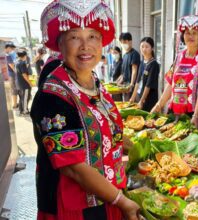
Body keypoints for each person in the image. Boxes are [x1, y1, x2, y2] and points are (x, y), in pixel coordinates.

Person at [30, 1, 140, 219]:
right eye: (74, 37)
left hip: (109, 194)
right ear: (59, 44)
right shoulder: (53, 95)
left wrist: (143, 150)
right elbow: (72, 167)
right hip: (75, 207)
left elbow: (109, 132)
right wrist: (122, 201)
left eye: (92, 36)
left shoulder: (95, 82)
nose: (85, 45)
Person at [151, 15, 198, 143]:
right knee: (174, 148)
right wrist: (159, 105)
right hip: (177, 112)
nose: (190, 36)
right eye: (187, 33)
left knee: (195, 150)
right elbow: (170, 85)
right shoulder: (178, 57)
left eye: (194, 33)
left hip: (197, 113)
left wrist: (196, 116)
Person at [130, 37, 159, 111]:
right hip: (140, 96)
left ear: (152, 48)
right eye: (142, 46)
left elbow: (148, 85)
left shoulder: (154, 64)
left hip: (149, 99)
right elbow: (138, 81)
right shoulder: (142, 62)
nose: (144, 49)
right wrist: (132, 97)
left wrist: (142, 101)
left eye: (147, 47)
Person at [117, 32, 140, 101]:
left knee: (131, 105)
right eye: (122, 42)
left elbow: (134, 70)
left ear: (130, 41)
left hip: (131, 86)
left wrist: (132, 84)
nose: (123, 44)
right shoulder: (125, 55)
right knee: (126, 102)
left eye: (125, 42)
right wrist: (117, 81)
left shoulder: (134, 54)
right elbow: (123, 72)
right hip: (125, 85)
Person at [16, 50, 32, 116]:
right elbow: (24, 75)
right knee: (26, 97)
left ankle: (21, 110)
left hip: (19, 83)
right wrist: (30, 83)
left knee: (21, 97)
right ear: (24, 56)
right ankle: (25, 110)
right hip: (24, 84)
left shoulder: (17, 62)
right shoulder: (22, 63)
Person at [4, 43, 18, 109]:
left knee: (14, 89)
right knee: (14, 89)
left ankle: (15, 103)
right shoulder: (8, 56)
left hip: (10, 74)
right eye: (11, 48)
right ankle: (15, 105)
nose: (12, 50)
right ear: (7, 48)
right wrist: (18, 73)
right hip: (12, 74)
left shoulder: (8, 55)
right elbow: (12, 66)